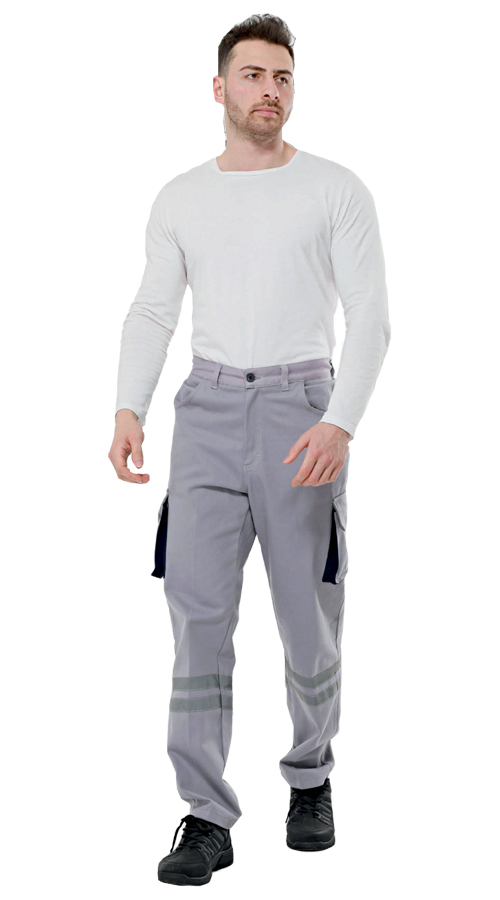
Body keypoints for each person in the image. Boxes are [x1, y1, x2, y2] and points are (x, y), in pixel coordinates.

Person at [109, 13, 391, 887]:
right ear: (220, 87)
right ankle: (206, 814)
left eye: (282, 76)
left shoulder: (335, 189)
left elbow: (371, 316)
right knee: (198, 619)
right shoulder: (181, 197)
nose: (270, 90)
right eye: (254, 75)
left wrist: (340, 421)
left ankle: (310, 777)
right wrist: (128, 407)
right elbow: (154, 308)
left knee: (309, 618)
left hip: (302, 412)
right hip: (207, 412)